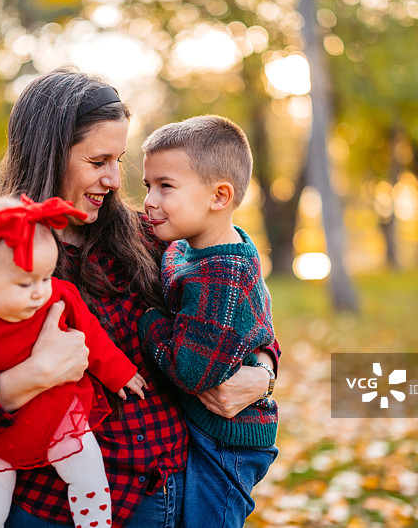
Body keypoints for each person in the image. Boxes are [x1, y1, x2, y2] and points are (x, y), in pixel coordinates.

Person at [0, 67, 278, 528]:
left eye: (119, 161)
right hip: (57, 511)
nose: (117, 179)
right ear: (49, 155)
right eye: (98, 162)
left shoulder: (150, 237)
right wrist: (28, 378)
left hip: (173, 494)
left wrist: (262, 369)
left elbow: (238, 309)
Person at [0, 195, 147, 528]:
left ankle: (95, 523)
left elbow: (90, 334)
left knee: (88, 472)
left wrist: (119, 372)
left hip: (56, 413)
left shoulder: (59, 295)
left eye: (46, 276)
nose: (41, 292)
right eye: (26, 283)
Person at [138, 115, 279, 528]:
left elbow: (191, 371)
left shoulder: (221, 273)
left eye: (166, 186)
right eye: (148, 186)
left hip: (227, 442)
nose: (149, 200)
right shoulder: (192, 243)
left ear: (219, 196)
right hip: (207, 428)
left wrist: (149, 322)